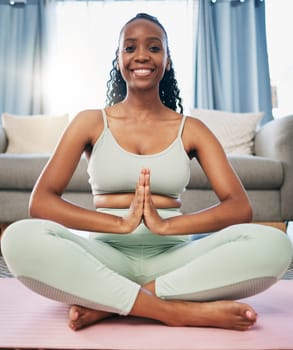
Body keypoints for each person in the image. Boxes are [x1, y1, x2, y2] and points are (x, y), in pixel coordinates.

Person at [2, 13, 292, 332]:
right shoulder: (90, 122)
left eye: (154, 47)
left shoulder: (191, 129)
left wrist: (169, 227)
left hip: (174, 257)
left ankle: (112, 304)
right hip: (104, 254)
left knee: (274, 244)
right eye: (130, 48)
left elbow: (239, 206)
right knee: (18, 236)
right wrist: (119, 223)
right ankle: (176, 311)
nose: (141, 55)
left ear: (167, 61)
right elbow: (41, 202)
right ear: (119, 59)